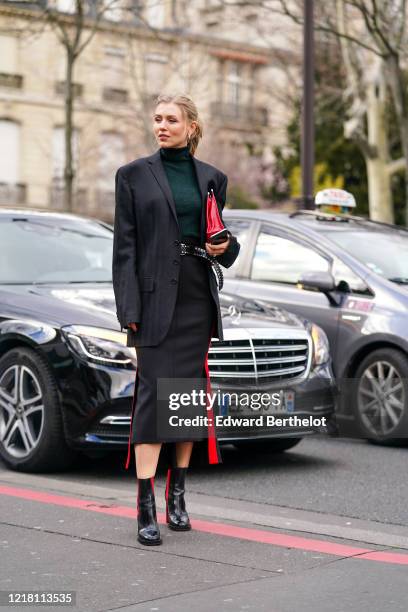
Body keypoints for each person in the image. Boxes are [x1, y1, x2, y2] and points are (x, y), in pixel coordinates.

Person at [112, 93, 240, 546]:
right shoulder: (132, 175)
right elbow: (124, 249)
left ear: (191, 126)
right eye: (157, 119)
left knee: (185, 395)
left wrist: (227, 248)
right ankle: (145, 504)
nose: (162, 126)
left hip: (195, 296)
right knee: (152, 397)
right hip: (152, 301)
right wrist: (128, 311)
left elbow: (220, 241)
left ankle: (177, 496)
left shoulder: (212, 178)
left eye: (171, 120)